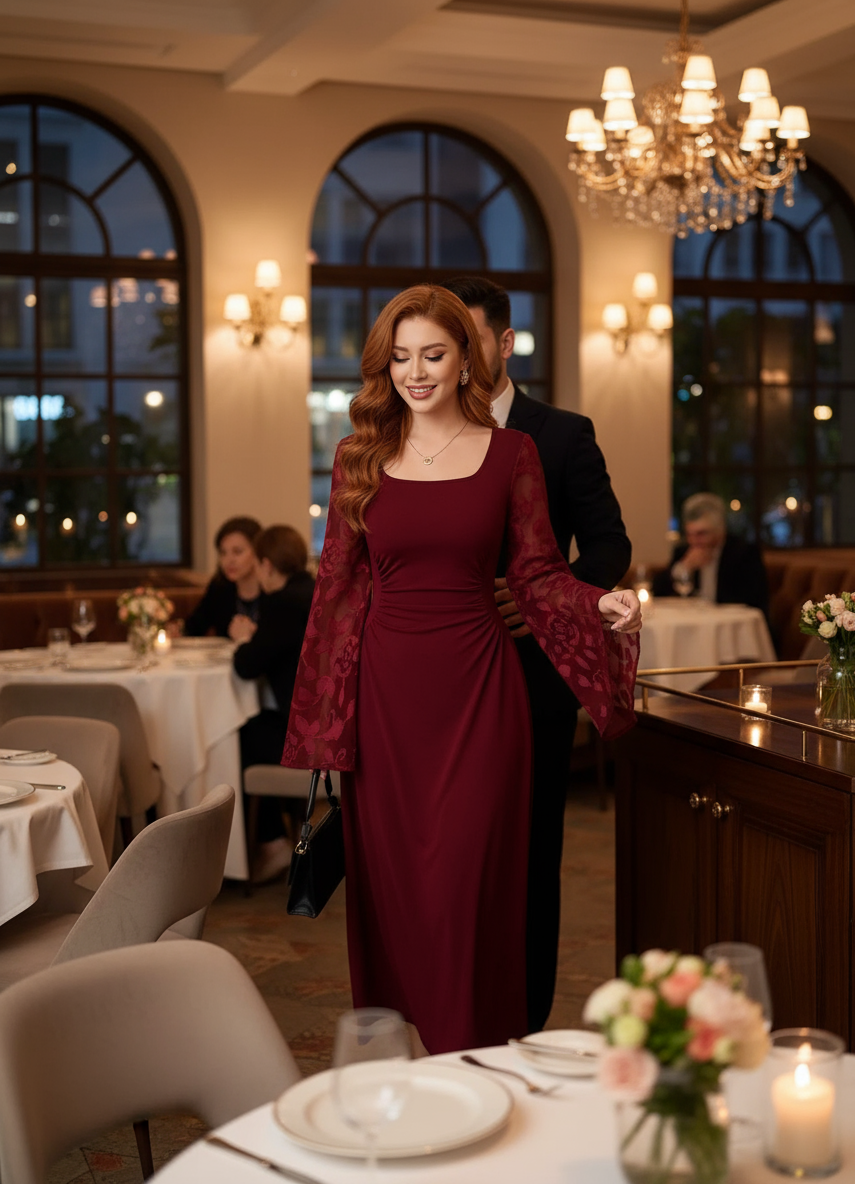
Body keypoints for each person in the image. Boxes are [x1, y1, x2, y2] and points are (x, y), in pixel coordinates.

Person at [281, 285, 641, 1055]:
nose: (416, 371)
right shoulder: (359, 458)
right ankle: (412, 1066)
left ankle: (481, 1058)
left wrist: (596, 607)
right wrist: (324, 724)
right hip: (386, 705)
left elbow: (540, 572)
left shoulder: (515, 455)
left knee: (471, 885)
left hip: (483, 696)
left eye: (434, 354)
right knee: (400, 894)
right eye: (401, 356)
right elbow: (337, 595)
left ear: (466, 359)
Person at [442, 275, 632, 1033]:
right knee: (453, 853)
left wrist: (543, 596)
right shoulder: (424, 432)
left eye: (469, 339)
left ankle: (523, 1019)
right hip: (444, 682)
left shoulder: (560, 433)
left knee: (526, 857)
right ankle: (454, 1007)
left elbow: (611, 547)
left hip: (530, 680)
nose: (454, 358)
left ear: (504, 343)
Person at [232, 525, 315, 882]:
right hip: (327, 724)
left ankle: (272, 842)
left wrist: (242, 639)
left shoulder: (282, 603)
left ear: (266, 565)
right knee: (255, 725)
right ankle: (273, 836)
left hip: (305, 736)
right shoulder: (312, 591)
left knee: (239, 731)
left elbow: (247, 666)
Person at [653, 492, 771, 621]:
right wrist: (684, 567)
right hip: (694, 624)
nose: (694, 541)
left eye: (701, 534)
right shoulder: (683, 551)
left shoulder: (744, 553)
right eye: (689, 534)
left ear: (720, 530)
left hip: (731, 627)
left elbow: (752, 600)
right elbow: (658, 591)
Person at [183, 516, 263, 639]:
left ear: (257, 552)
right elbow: (193, 627)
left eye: (237, 552)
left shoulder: (273, 590)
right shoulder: (220, 588)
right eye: (223, 553)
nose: (228, 560)